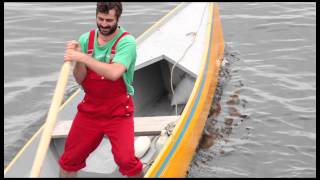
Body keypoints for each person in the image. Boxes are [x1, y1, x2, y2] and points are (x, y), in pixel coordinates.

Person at [58, 2, 143, 178]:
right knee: (69, 160)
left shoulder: (127, 42)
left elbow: (113, 73)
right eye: (100, 19)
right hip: (90, 110)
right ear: (96, 15)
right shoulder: (85, 40)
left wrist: (82, 57)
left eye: (109, 20)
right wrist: (79, 59)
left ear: (118, 18)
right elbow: (80, 79)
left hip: (118, 112)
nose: (104, 24)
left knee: (126, 161)